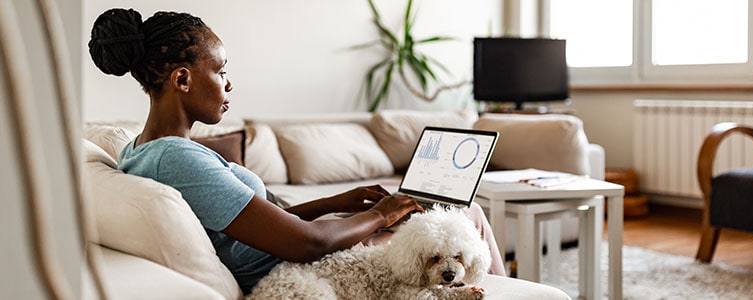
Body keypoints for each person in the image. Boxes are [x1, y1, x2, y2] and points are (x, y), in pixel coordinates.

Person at [88, 8, 506, 295]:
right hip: (305, 269)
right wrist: (382, 214)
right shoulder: (176, 159)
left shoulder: (141, 150)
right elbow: (303, 244)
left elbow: (257, 223)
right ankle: (506, 292)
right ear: (182, 79)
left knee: (440, 212)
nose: (228, 84)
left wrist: (336, 202)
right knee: (464, 214)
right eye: (220, 70)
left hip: (296, 253)